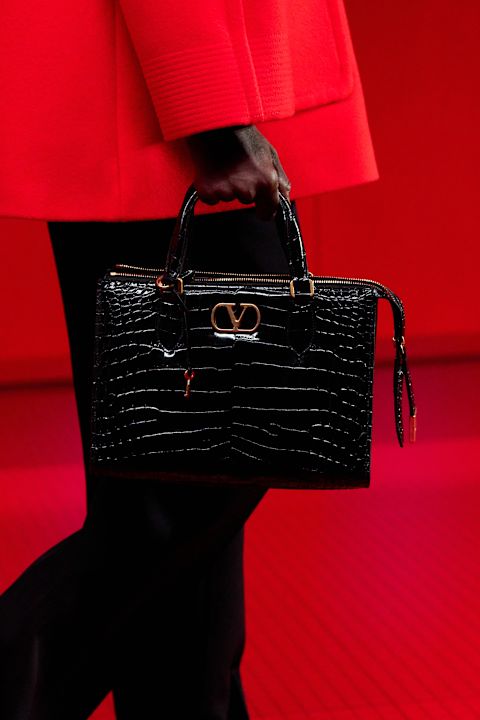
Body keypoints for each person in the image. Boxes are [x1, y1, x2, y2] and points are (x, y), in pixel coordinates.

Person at [0, 1, 378, 718]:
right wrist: (211, 113)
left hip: (144, 97)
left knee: (175, 495)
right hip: (167, 107)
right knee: (182, 492)